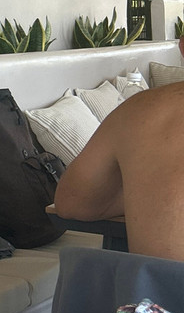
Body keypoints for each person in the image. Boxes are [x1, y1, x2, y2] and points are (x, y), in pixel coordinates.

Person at [54, 63, 184, 260]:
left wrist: (148, 193)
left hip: (157, 279)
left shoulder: (142, 108)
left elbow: (72, 203)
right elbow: (70, 204)